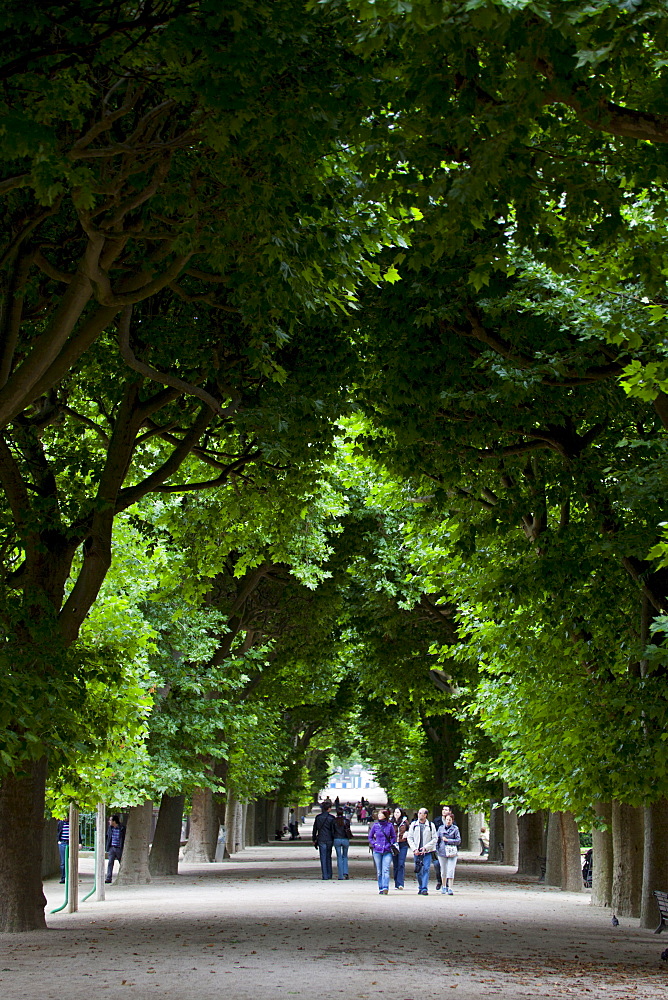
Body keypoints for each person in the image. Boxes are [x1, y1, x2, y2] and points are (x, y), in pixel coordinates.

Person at [407, 807, 437, 895]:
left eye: (422, 813)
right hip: (417, 852)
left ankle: (424, 888)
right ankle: (420, 886)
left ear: (426, 815)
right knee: (418, 870)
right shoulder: (413, 825)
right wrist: (414, 849)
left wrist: (426, 847)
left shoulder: (431, 825)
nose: (420, 815)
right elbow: (410, 838)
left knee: (426, 869)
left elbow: (435, 838)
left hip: (427, 852)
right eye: (419, 813)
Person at [368, 807, 396, 894]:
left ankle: (385, 887)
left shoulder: (389, 826)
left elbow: (394, 836)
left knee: (386, 869)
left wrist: (390, 844)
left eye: (381, 814)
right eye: (379, 814)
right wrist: (374, 844)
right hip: (377, 851)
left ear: (385, 815)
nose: (379, 815)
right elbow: (370, 836)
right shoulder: (375, 826)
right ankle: (380, 887)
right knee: (379, 871)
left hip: (387, 850)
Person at [436, 812, 461, 895]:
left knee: (450, 869)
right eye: (447, 820)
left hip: (452, 852)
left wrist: (449, 840)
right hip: (442, 852)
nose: (448, 821)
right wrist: (436, 849)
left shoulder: (455, 829)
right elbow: (437, 839)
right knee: (443, 870)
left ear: (452, 820)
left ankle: (450, 887)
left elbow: (458, 840)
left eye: (450, 820)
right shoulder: (440, 828)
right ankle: (443, 886)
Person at [312, 801, 337, 880]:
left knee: (323, 857)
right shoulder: (332, 818)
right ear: (329, 809)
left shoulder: (318, 817)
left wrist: (314, 839)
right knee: (328, 856)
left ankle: (325, 875)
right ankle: (329, 874)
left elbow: (315, 829)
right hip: (329, 838)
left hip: (321, 838)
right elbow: (333, 830)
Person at [433, 805, 454, 890]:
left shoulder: (454, 825)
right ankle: (440, 881)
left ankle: (447, 883)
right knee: (437, 864)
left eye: (446, 810)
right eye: (443, 809)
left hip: (449, 848)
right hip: (439, 847)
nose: (444, 811)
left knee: (448, 867)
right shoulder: (437, 821)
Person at [390, 806, 410, 890]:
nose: (396, 814)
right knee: (395, 864)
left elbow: (410, 831)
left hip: (403, 844)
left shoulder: (405, 822)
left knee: (401, 863)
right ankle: (396, 883)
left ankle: (400, 883)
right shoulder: (390, 822)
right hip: (394, 845)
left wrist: (407, 834)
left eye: (398, 812)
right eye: (395, 812)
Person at [332, 806, 352, 879]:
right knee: (345, 856)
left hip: (337, 839)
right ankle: (345, 873)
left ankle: (340, 875)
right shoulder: (346, 821)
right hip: (345, 839)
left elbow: (332, 831)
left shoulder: (334, 821)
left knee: (339, 857)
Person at [105, 814, 126, 883]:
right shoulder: (110, 828)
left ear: (114, 821)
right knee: (110, 863)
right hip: (112, 848)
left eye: (110, 820)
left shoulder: (122, 828)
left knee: (121, 862)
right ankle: (108, 878)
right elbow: (108, 837)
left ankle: (124, 876)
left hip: (119, 848)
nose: (109, 821)